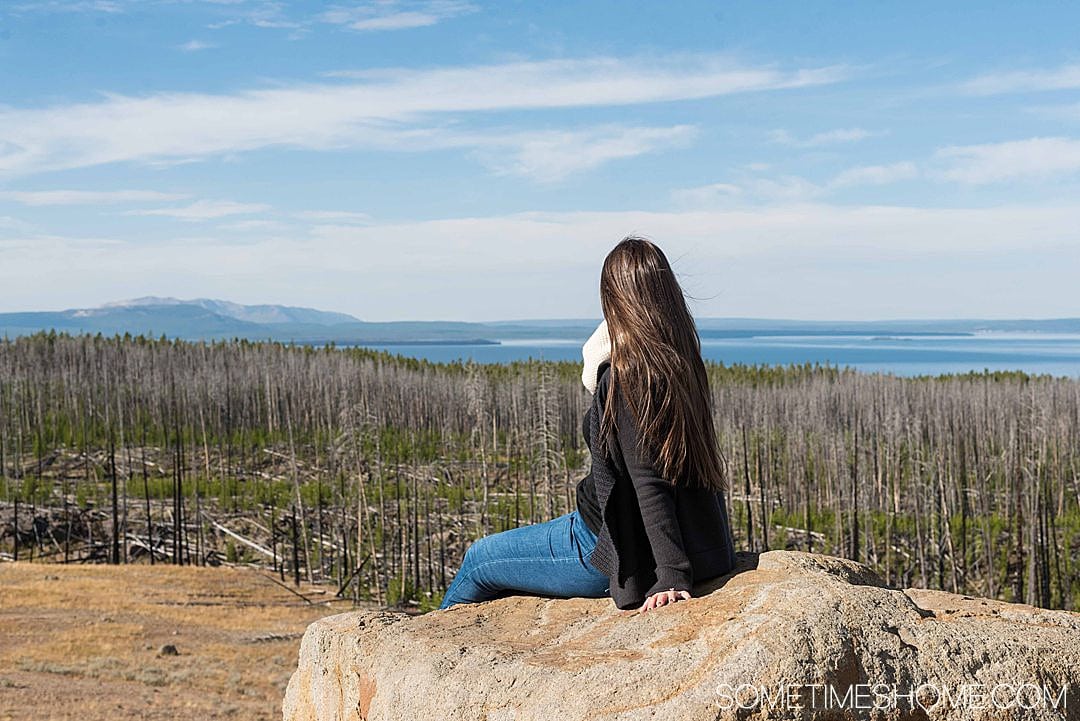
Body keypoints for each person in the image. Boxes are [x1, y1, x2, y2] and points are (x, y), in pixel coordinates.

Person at [438, 236, 737, 613]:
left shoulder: (626, 376)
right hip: (669, 537)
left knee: (480, 559)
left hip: (606, 545)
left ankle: (420, 650)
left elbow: (649, 480)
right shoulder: (681, 361)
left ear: (614, 299)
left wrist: (673, 573)